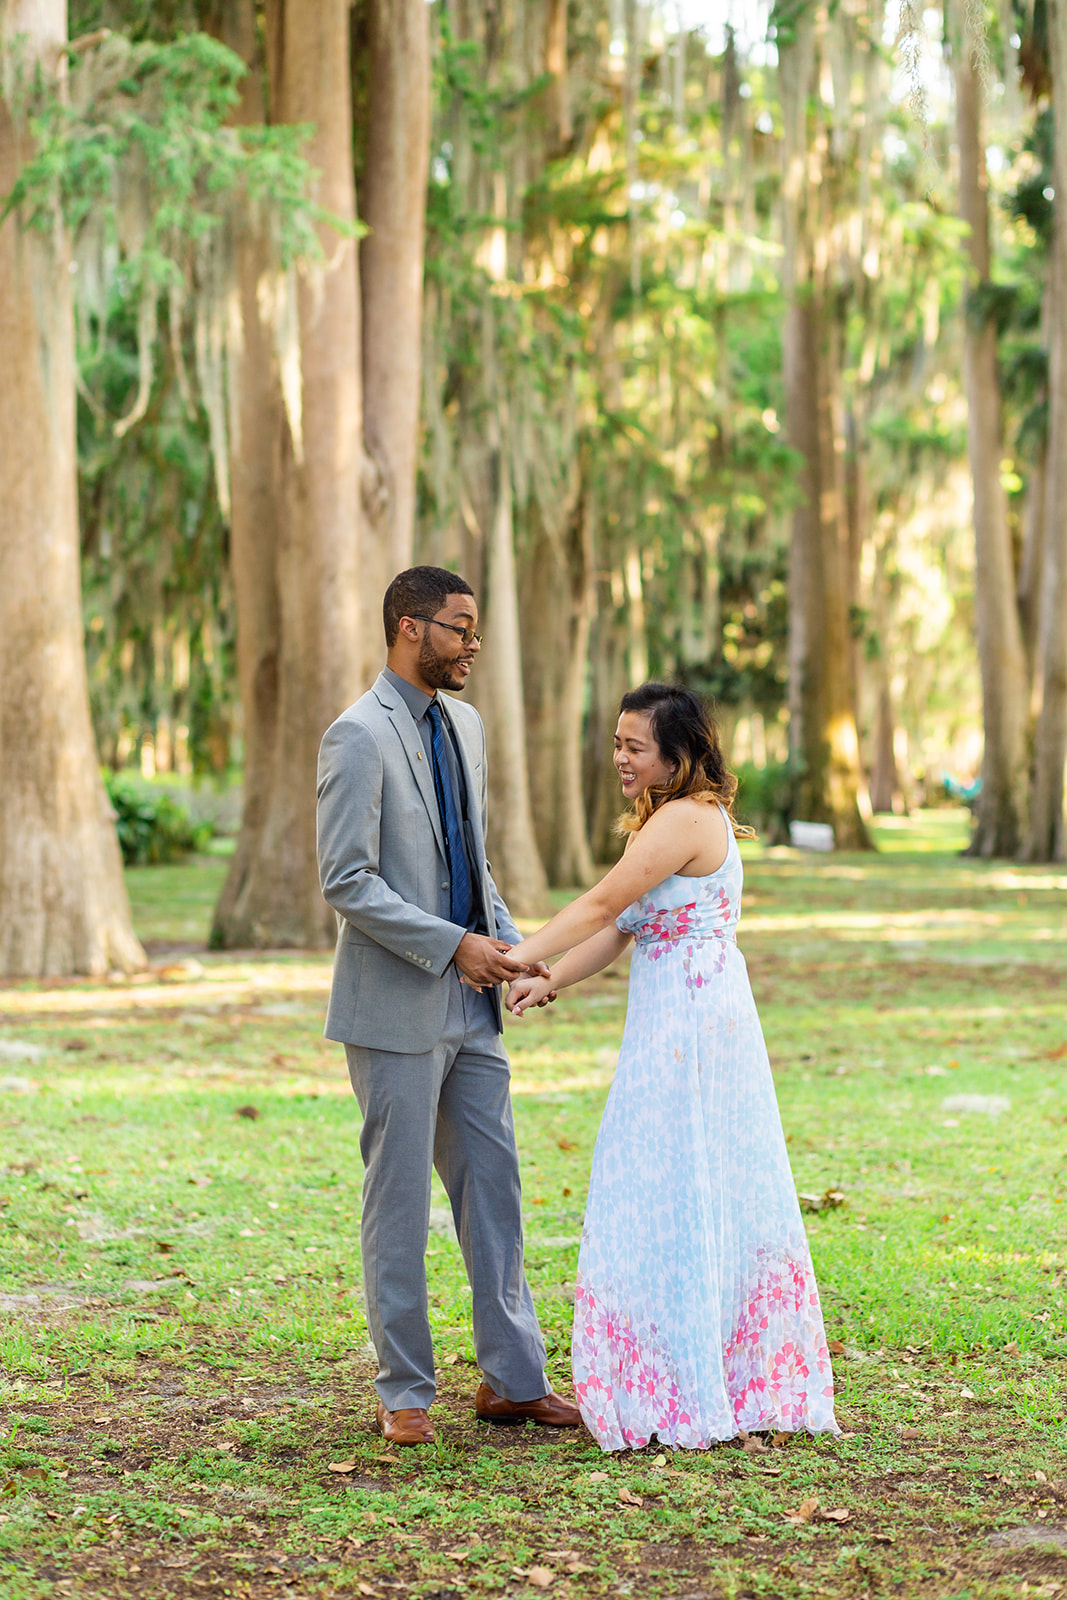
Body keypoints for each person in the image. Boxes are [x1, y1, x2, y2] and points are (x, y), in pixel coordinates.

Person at [505, 683, 839, 1450]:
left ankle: (695, 1378)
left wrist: (514, 953)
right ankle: (686, 1364)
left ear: (676, 754)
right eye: (616, 743)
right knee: (668, 1184)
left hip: (692, 1026)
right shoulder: (666, 819)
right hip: (675, 1018)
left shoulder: (687, 819)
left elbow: (597, 904)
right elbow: (622, 929)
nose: (619, 758)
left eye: (634, 746)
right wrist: (546, 978)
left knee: (677, 1180)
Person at [316, 566, 580, 1446]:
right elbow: (345, 879)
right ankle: (404, 1390)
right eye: (459, 628)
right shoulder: (356, 735)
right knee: (395, 1201)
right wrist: (449, 944)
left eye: (474, 628)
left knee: (494, 1194)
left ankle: (514, 1381)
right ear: (408, 626)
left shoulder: (464, 724)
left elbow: (476, 857)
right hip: (393, 1009)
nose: (472, 644)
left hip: (476, 1008)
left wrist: (511, 951)